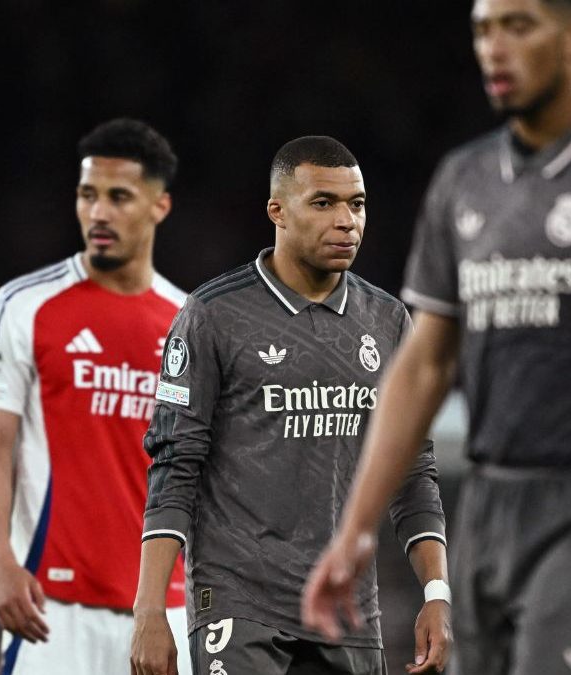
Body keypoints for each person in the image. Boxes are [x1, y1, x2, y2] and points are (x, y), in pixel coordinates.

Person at [302, 0, 571, 673]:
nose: (494, 47)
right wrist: (357, 527)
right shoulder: (464, 180)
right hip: (488, 504)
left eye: (519, 25)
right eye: (483, 29)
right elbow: (424, 363)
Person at [130, 136, 452, 675]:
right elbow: (174, 466)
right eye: (323, 203)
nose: (347, 220)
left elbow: (412, 470)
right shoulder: (214, 315)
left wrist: (437, 591)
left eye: (358, 203)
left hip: (348, 613)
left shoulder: (387, 321)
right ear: (277, 211)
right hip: (239, 608)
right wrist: (149, 609)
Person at [0, 118, 192, 675]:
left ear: (160, 206)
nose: (99, 213)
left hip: (167, 611)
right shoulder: (24, 306)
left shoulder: (193, 323)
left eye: (119, 197)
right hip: (52, 611)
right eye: (88, 195)